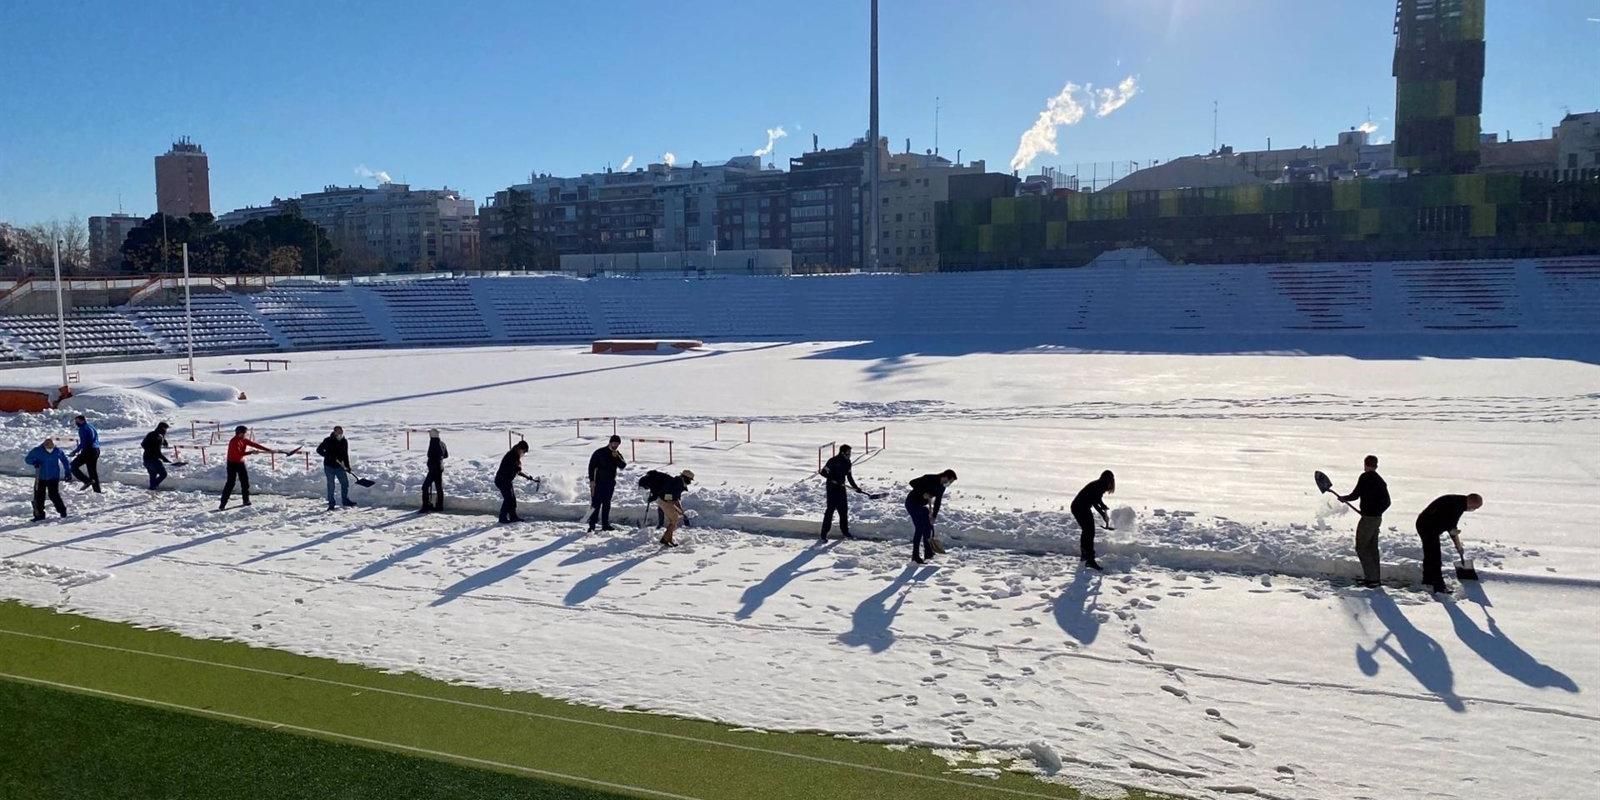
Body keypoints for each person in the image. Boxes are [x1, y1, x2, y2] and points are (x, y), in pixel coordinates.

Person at [1339, 455, 1391, 587]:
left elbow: (1355, 495)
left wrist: (1345, 498)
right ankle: (1375, 578)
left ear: (1365, 464)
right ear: (1376, 465)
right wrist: (1377, 512)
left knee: (1362, 547)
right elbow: (1387, 502)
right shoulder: (1380, 481)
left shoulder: (1364, 477)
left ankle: (1371, 579)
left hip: (1368, 519)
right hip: (1377, 519)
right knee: (1372, 548)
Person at [1415, 493, 1483, 594]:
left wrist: (1457, 542)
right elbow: (1450, 525)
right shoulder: (1457, 505)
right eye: (1474, 507)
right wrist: (1456, 541)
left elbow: (1451, 525)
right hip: (1427, 526)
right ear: (1470, 502)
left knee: (1431, 555)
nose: (1473, 510)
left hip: (1429, 525)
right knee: (1434, 557)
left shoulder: (1459, 503)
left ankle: (1428, 580)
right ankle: (1439, 586)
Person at [220, 426, 279, 510]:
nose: (246, 434)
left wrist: (268, 450)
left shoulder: (243, 440)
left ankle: (246, 500)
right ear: (240, 433)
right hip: (232, 464)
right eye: (245, 433)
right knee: (230, 483)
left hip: (240, 463)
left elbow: (254, 445)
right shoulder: (233, 441)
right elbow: (238, 453)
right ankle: (222, 504)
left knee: (245, 482)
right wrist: (251, 452)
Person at [905, 469, 957, 563]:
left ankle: (928, 552)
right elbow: (912, 482)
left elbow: (938, 502)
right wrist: (923, 492)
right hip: (912, 503)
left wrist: (934, 516)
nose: (949, 483)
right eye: (950, 481)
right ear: (945, 477)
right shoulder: (929, 478)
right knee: (920, 528)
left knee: (928, 526)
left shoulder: (942, 487)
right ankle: (915, 556)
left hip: (921, 505)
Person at [819, 444, 866, 541]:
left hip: (841, 489)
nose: (849, 454)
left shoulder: (848, 462)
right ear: (842, 452)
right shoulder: (833, 461)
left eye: (850, 452)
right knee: (830, 511)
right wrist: (833, 479)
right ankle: (824, 533)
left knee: (843, 511)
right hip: (832, 489)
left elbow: (849, 476)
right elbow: (823, 472)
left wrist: (856, 487)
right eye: (848, 452)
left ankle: (845, 531)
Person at [1072, 470, 1116, 571]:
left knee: (1087, 531)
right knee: (1089, 532)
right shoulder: (1101, 485)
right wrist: (1103, 515)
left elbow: (1097, 499)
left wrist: (1103, 505)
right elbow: (1095, 502)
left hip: (1079, 506)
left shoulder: (1099, 484)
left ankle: (1085, 556)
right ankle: (1090, 560)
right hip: (1080, 507)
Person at [25, 437, 72, 520]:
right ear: (44, 446)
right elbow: (27, 459)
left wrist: (67, 472)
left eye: (51, 448)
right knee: (39, 496)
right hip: (40, 476)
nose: (50, 449)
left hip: (53, 477)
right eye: (48, 448)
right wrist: (34, 462)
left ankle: (62, 511)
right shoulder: (37, 450)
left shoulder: (57, 451)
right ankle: (39, 514)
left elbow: (64, 460)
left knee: (53, 494)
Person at [587, 435, 626, 532]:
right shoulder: (600, 452)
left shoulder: (616, 454)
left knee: (606, 504)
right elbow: (591, 466)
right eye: (614, 443)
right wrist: (592, 480)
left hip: (610, 483)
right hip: (598, 483)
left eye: (617, 444)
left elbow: (623, 465)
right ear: (610, 442)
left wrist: (617, 457)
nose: (616, 445)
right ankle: (592, 525)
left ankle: (605, 524)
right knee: (596, 504)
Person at [315, 426, 356, 510]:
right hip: (329, 466)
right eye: (338, 432)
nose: (340, 433)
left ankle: (345, 500)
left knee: (345, 483)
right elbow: (319, 450)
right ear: (334, 432)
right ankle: (331, 503)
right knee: (331, 485)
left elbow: (345, 454)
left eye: (341, 432)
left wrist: (347, 466)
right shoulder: (328, 440)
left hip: (340, 466)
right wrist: (327, 456)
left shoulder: (344, 441)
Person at [495, 441, 533, 523]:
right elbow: (514, 468)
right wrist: (517, 469)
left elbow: (517, 471)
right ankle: (502, 518)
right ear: (520, 449)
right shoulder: (512, 456)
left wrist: (527, 477)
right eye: (523, 451)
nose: (523, 454)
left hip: (507, 480)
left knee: (512, 499)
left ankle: (513, 517)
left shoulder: (515, 455)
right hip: (502, 480)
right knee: (508, 499)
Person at [655, 469, 695, 547]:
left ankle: (668, 539)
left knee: (674, 520)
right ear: (685, 478)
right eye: (690, 480)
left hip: (665, 500)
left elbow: (676, 498)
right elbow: (670, 498)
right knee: (674, 519)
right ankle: (665, 539)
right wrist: (678, 508)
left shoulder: (679, 482)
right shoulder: (677, 484)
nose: (690, 482)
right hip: (664, 501)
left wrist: (679, 509)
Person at [68, 414, 102, 493]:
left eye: (77, 421)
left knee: (73, 466)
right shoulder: (91, 426)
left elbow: (84, 442)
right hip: (96, 450)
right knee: (92, 471)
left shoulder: (83, 429)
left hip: (88, 451)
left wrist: (75, 451)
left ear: (82, 420)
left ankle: (86, 481)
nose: (76, 423)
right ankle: (97, 491)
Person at [421, 429, 447, 512]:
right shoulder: (442, 443)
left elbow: (430, 455)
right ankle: (439, 506)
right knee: (439, 487)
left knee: (425, 487)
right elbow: (446, 455)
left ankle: (426, 505)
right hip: (440, 468)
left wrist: (431, 464)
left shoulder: (433, 443)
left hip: (433, 469)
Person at [141, 422, 172, 490]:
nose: (166, 431)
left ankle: (152, 491)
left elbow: (143, 444)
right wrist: (165, 460)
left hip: (146, 459)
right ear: (162, 429)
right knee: (163, 474)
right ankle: (153, 486)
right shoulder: (158, 438)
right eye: (165, 429)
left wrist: (164, 441)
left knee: (153, 475)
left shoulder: (152, 434)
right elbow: (157, 452)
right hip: (153, 460)